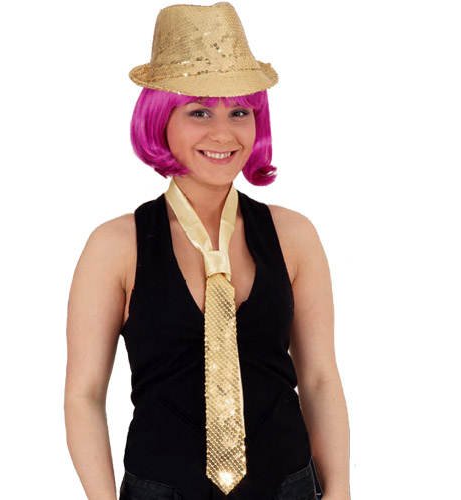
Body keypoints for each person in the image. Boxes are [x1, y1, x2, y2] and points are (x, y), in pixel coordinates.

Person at [64, 2, 351, 500]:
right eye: (199, 111)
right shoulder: (116, 246)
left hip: (288, 488)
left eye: (240, 111)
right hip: (161, 490)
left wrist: (340, 488)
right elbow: (84, 395)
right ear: (161, 119)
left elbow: (320, 377)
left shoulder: (293, 235)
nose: (223, 132)